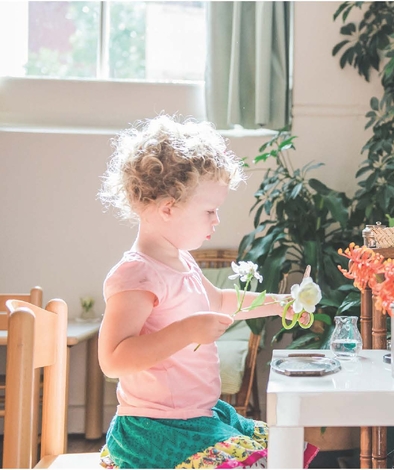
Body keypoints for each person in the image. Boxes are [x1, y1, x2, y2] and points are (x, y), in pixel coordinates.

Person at [97, 115, 317, 469]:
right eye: (210, 210)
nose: (216, 221)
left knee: (283, 450)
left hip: (198, 416)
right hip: (155, 428)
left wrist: (281, 304)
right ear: (169, 208)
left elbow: (219, 302)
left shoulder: (182, 261)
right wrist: (186, 331)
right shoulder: (137, 274)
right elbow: (113, 358)